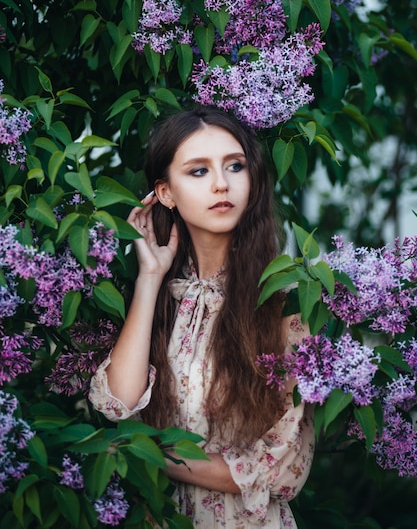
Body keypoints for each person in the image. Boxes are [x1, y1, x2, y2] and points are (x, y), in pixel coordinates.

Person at [88, 106, 315, 528]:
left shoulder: (287, 308)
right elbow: (116, 403)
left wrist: (143, 452)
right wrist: (150, 278)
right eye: (198, 171)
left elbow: (283, 470)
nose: (221, 184)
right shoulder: (160, 301)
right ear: (166, 192)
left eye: (235, 166)